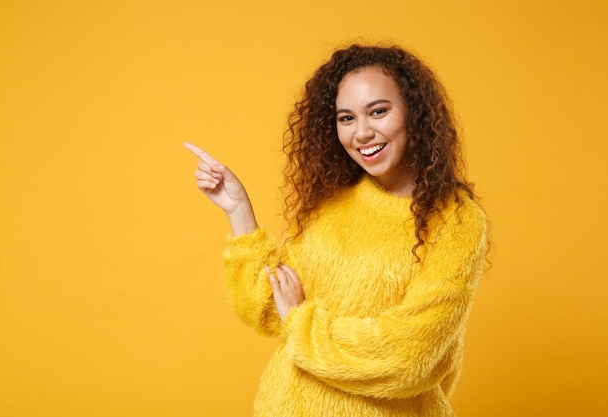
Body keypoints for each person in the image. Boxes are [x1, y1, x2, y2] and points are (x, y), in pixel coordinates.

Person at [185, 44, 488, 417]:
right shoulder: (330, 203)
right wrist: (238, 211)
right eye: (346, 118)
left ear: (415, 112)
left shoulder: (455, 221)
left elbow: (409, 356)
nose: (361, 133)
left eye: (378, 111)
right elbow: (267, 309)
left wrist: (300, 322)